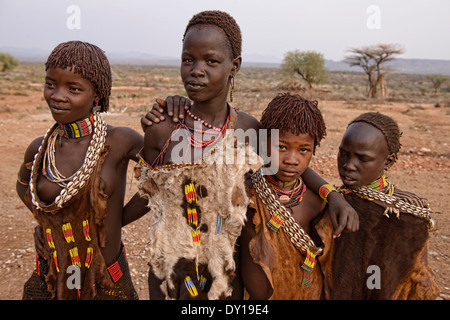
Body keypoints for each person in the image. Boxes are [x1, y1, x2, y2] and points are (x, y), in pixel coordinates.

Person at [137, 10, 357, 300]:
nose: (196, 70)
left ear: (234, 66)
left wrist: (333, 195)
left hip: (225, 275)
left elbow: (289, 165)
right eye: (188, 59)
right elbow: (148, 193)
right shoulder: (164, 127)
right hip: (173, 274)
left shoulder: (249, 128)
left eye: (211, 61)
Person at [17, 41, 148, 300]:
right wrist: (45, 222)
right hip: (50, 278)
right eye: (51, 84)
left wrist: (116, 221)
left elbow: (163, 178)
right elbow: (23, 185)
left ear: (97, 95)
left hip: (107, 281)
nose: (57, 96)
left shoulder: (120, 141)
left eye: (73, 88)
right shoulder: (40, 149)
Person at [316, 112, 440, 299]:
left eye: (363, 159)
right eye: (343, 153)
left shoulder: (405, 212)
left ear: (388, 161)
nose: (349, 165)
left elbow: (416, 277)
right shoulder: (332, 202)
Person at [239, 93, 349, 299]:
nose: (292, 160)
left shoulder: (317, 202)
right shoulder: (244, 194)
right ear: (263, 145)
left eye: (304, 150)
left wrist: (334, 196)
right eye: (281, 147)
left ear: (314, 150)